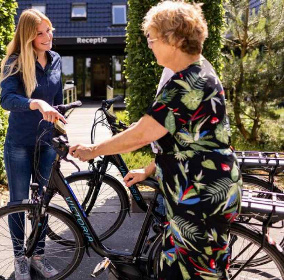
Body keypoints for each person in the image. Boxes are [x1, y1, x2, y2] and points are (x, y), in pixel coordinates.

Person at [69, 1, 242, 279]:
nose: (149, 45)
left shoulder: (188, 82)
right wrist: (149, 169)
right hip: (199, 192)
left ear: (173, 39)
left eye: (151, 37)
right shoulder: (198, 72)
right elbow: (185, 141)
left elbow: (142, 133)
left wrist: (93, 150)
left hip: (200, 197)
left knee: (191, 274)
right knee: (183, 268)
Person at [0, 9, 65, 280]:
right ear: (28, 36)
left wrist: (61, 129)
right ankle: (19, 257)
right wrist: (34, 103)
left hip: (47, 142)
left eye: (48, 30)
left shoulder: (56, 59)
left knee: (42, 202)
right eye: (39, 33)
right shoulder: (15, 62)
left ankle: (37, 255)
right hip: (19, 143)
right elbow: (7, 100)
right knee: (19, 201)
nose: (47, 36)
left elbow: (58, 98)